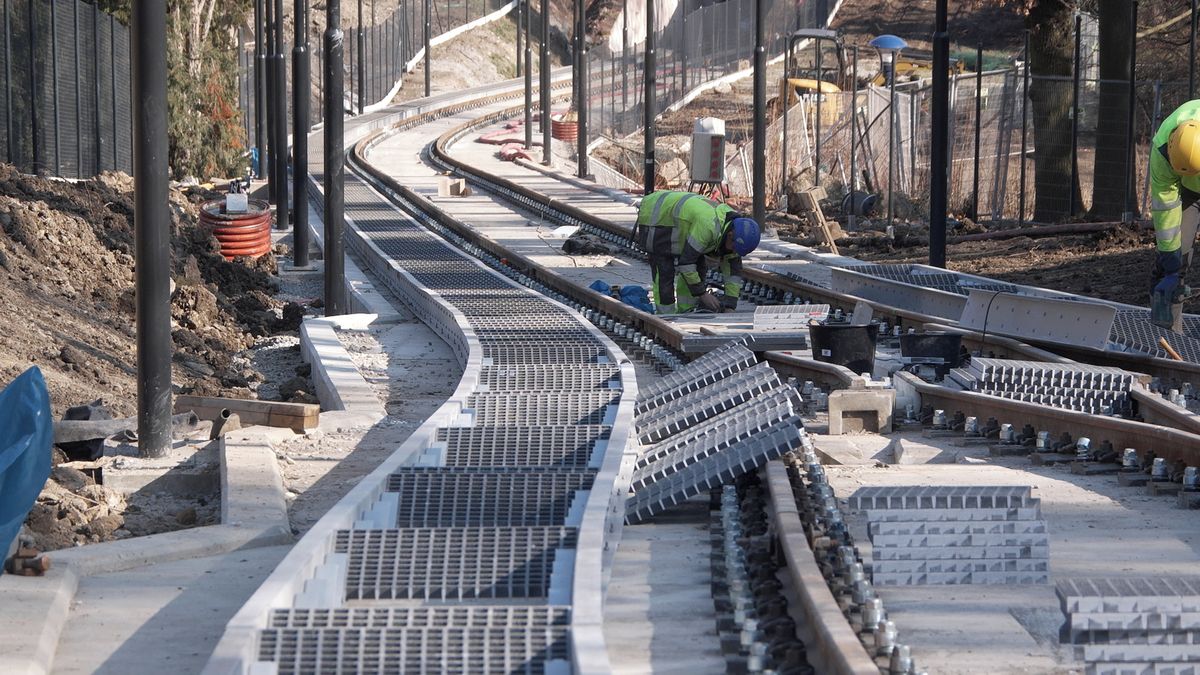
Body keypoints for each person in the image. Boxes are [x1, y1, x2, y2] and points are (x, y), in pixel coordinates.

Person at [634, 190, 761, 314]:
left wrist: (730, 306)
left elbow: (733, 273)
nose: (733, 251)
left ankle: (686, 311)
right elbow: (686, 263)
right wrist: (702, 294)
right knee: (664, 270)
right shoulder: (708, 226)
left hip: (680, 219)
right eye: (734, 247)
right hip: (657, 217)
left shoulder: (733, 231)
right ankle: (665, 314)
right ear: (730, 235)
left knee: (698, 267)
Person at [1149, 100, 1200, 331]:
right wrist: (1170, 262)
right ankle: (1168, 336)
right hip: (1186, 190)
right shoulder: (1162, 150)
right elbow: (1165, 207)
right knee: (1176, 260)